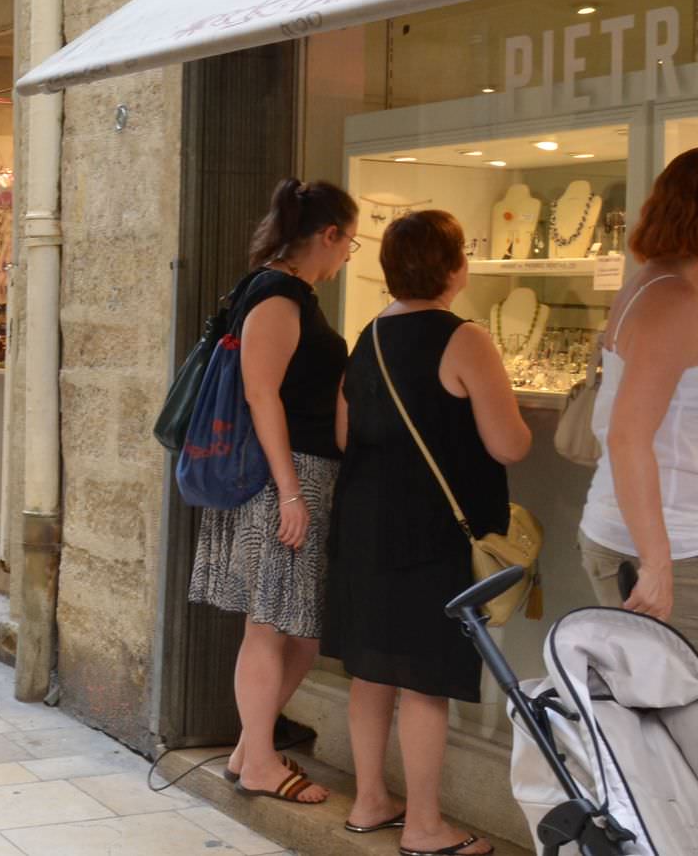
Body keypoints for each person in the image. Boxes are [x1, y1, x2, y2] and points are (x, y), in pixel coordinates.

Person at [325, 210, 529, 855]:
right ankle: (425, 826)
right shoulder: (464, 338)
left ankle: (368, 801)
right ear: (452, 267)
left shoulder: (369, 338)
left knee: (372, 673)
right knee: (423, 680)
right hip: (429, 534)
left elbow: (342, 435)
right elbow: (509, 444)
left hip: (364, 524)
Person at [190, 178, 357, 808]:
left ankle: (248, 747)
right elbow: (262, 394)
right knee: (268, 627)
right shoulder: (279, 297)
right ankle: (257, 759)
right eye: (349, 244)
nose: (346, 260)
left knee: (299, 631)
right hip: (279, 477)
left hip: (290, 475)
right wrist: (290, 492)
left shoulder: (282, 291)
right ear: (329, 235)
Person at [579, 146, 698, 686]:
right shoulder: (674, 301)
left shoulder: (652, 284)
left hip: (649, 535)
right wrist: (657, 565)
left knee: (662, 721)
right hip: (665, 545)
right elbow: (628, 438)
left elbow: (660, 406)